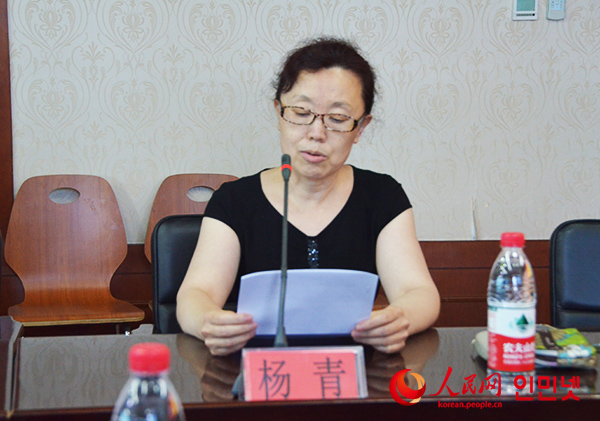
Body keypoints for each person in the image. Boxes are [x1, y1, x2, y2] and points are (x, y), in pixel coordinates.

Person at [177, 37, 440, 356]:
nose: (316, 133)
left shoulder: (382, 197)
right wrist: (209, 321)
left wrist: (399, 318)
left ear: (360, 128)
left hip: (352, 372)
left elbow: (419, 293)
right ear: (278, 113)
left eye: (338, 119)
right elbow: (196, 294)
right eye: (301, 112)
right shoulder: (234, 201)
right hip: (257, 372)